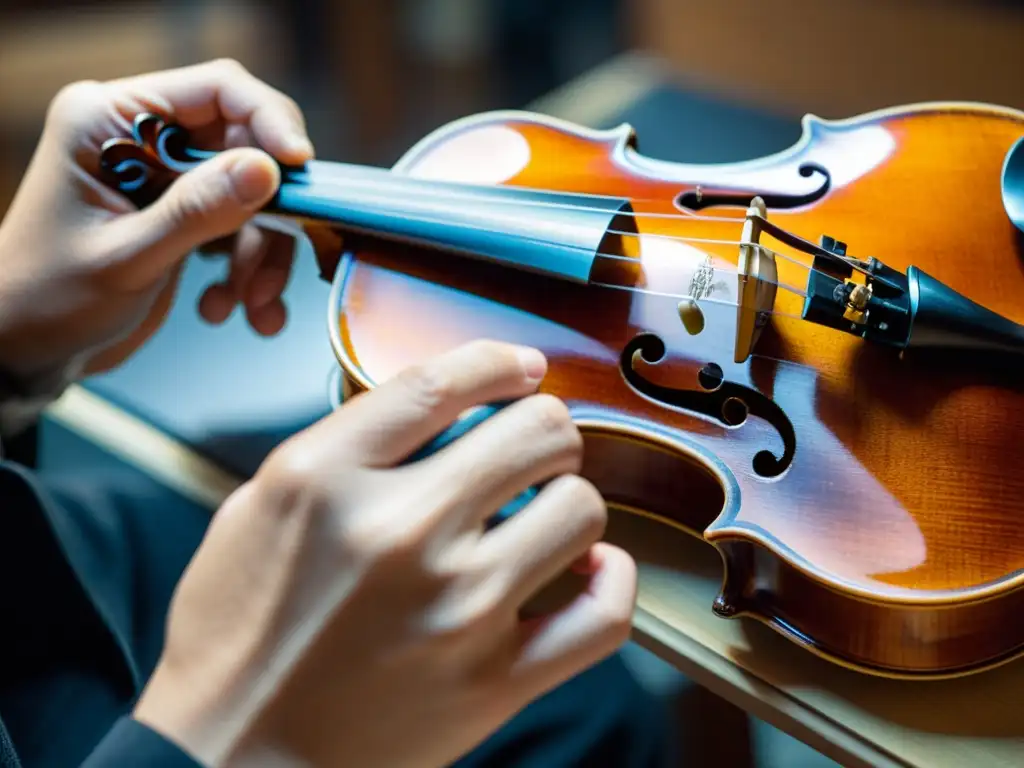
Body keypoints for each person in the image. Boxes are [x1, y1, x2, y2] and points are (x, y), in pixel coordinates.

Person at [0, 60, 676, 766]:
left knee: (575, 687)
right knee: (580, 706)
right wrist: (223, 737)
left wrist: (12, 340)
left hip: (39, 560)